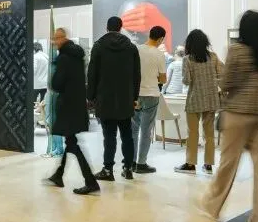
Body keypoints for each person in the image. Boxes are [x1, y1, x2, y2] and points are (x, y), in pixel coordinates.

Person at [201, 10, 258, 222]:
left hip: (237, 114)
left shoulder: (236, 51)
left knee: (228, 163)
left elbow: (226, 83)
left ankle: (211, 205)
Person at [44, 28, 99, 195]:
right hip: (76, 105)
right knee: (71, 142)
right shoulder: (77, 56)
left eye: (56, 39)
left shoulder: (64, 58)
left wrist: (54, 78)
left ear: (62, 38)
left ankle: (90, 181)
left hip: (67, 106)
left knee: (73, 144)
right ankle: (59, 175)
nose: (54, 42)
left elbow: (57, 84)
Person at [87, 16, 140, 181]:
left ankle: (108, 170)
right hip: (125, 99)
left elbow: (92, 74)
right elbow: (137, 75)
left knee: (109, 136)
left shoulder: (98, 46)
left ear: (107, 28)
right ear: (120, 28)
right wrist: (134, 96)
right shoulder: (131, 47)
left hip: (105, 98)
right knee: (127, 135)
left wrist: (90, 97)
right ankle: (128, 168)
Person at [175, 30, 222, 175]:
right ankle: (208, 165)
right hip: (211, 100)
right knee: (209, 134)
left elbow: (186, 81)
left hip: (194, 100)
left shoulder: (187, 59)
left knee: (192, 133)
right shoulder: (213, 57)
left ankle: (190, 164)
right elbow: (222, 74)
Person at [132, 26, 167, 173]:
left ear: (149, 35)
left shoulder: (136, 50)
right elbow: (163, 79)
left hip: (135, 94)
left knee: (133, 129)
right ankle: (141, 164)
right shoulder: (159, 54)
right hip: (151, 95)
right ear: (161, 39)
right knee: (146, 131)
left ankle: (131, 162)